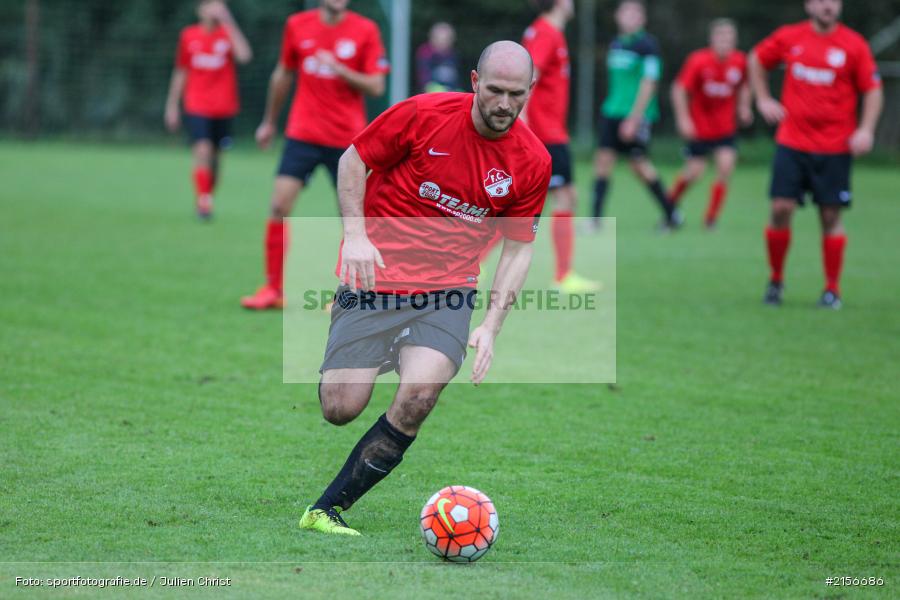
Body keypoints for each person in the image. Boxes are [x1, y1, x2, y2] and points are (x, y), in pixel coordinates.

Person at [298, 41, 551, 535]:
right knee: (340, 408)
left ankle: (325, 509)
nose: (504, 104)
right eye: (495, 90)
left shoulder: (532, 161)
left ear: (530, 90)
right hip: (375, 278)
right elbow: (353, 160)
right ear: (475, 82)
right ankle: (385, 348)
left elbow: (519, 248)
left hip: (447, 290)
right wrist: (355, 236)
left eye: (516, 94)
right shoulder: (422, 114)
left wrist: (491, 326)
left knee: (418, 397)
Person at [241, 0, 388, 310]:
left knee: (351, 216)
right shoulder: (297, 25)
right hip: (302, 133)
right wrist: (269, 121)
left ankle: (349, 294)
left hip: (348, 141)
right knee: (279, 205)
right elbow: (283, 73)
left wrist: (340, 69)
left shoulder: (365, 29)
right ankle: (273, 289)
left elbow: (376, 85)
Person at [750, 0, 883, 309]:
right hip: (792, 142)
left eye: (833, 1)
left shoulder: (854, 44)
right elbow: (756, 58)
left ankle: (831, 289)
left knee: (830, 215)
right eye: (821, 0)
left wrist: (866, 130)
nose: (828, 6)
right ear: (809, 5)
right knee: (780, 208)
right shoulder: (790, 36)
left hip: (835, 146)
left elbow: (873, 89)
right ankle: (776, 281)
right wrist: (763, 98)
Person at [522, 0, 600, 292]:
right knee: (557, 199)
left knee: (560, 198)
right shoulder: (547, 32)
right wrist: (523, 125)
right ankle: (563, 276)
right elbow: (528, 77)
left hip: (551, 132)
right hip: (545, 135)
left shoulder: (547, 31)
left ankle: (564, 274)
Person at [591, 0, 679, 231]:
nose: (630, 17)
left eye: (635, 13)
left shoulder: (647, 45)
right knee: (602, 161)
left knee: (639, 165)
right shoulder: (616, 43)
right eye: (626, 12)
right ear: (618, 16)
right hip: (612, 111)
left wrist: (634, 118)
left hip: (635, 115)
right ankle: (595, 220)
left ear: (643, 19)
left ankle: (672, 215)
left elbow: (649, 81)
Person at [164, 0, 252, 220]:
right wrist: (172, 105)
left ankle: (207, 196)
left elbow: (244, 56)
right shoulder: (189, 35)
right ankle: (204, 202)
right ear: (199, 10)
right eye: (209, 4)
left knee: (216, 159)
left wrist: (228, 20)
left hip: (224, 106)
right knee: (202, 150)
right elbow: (181, 71)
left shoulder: (227, 33)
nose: (214, 8)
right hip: (196, 104)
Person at [668, 19, 752, 229]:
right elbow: (679, 89)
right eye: (721, 37)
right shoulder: (698, 60)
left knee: (725, 168)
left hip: (725, 128)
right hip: (700, 128)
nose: (725, 41)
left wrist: (744, 107)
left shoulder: (740, 61)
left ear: (735, 40)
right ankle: (668, 205)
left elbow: (745, 85)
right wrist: (683, 119)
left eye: (729, 38)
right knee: (694, 172)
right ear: (712, 39)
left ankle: (711, 219)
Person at [415, 22, 461, 93]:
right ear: (432, 38)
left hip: (450, 92)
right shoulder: (425, 53)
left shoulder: (453, 55)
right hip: (431, 94)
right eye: (440, 39)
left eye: (447, 39)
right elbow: (424, 79)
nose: (443, 43)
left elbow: (455, 79)